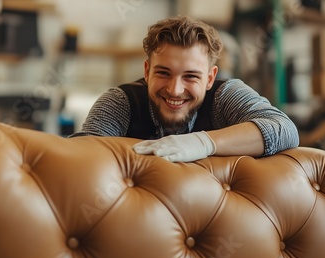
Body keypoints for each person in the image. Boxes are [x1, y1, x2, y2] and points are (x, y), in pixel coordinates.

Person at [69, 16, 299, 162]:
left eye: (190, 76)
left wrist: (203, 142)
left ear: (210, 78)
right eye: (163, 73)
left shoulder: (225, 95)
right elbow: (82, 156)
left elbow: (283, 130)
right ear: (147, 71)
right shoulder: (121, 101)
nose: (175, 90)